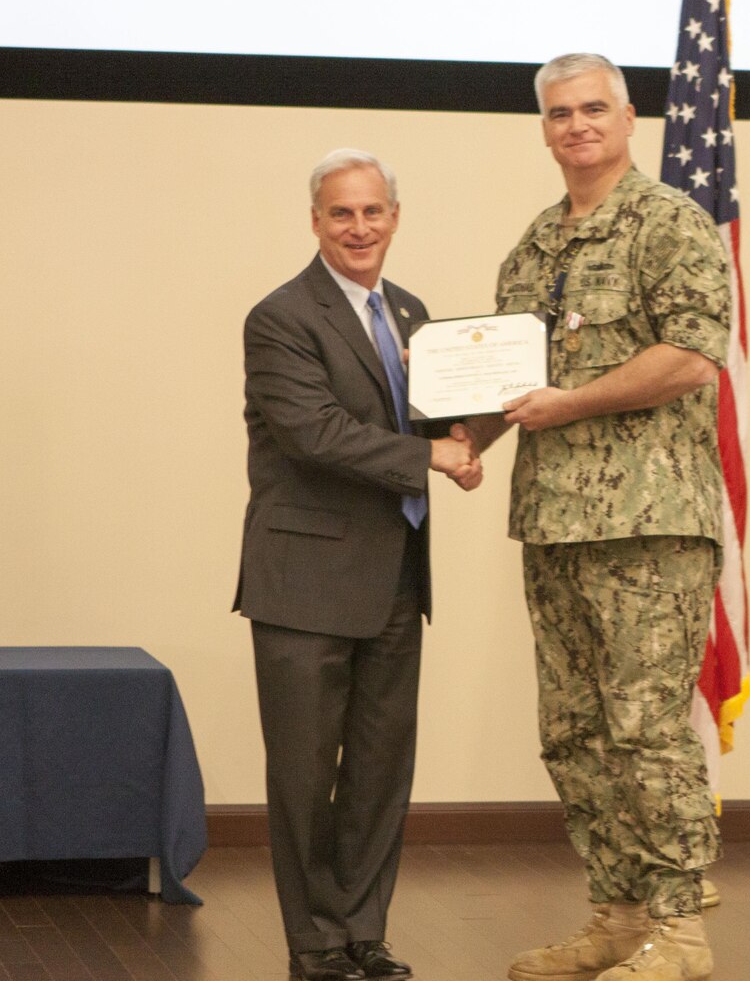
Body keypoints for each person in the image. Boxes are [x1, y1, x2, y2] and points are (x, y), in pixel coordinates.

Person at [471, 53, 730, 981]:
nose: (576, 125)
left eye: (593, 109)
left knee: (648, 729)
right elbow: (506, 383)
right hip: (553, 523)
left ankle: (682, 933)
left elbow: (694, 357)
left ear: (628, 119)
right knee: (574, 733)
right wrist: (462, 445)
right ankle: (618, 920)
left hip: (649, 524)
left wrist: (570, 405)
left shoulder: (671, 225)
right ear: (544, 130)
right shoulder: (535, 246)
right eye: (559, 113)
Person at [234, 149, 482, 981]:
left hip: (396, 580)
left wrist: (476, 436)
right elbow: (317, 434)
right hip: (305, 584)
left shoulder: (410, 313)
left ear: (395, 217)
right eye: (341, 213)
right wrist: (434, 460)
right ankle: (314, 945)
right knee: (305, 777)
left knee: (380, 770)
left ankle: (363, 934)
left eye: (373, 211)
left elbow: (437, 422)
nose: (359, 227)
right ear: (315, 222)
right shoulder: (279, 317)